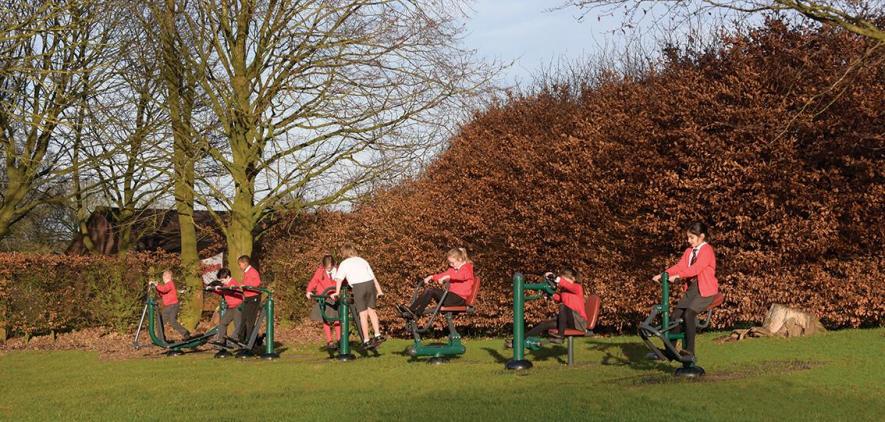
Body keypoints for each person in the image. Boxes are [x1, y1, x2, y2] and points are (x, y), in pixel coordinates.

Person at [652, 222, 719, 358]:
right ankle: (670, 351)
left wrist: (678, 277)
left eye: (692, 238)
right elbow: (680, 266)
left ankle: (690, 351)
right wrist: (664, 275)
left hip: (705, 290)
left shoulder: (707, 250)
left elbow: (696, 269)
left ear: (701, 237)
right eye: (688, 238)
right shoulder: (689, 251)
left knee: (689, 315)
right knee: (675, 316)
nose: (689, 241)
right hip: (693, 289)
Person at [505, 269, 586, 348]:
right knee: (544, 325)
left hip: (579, 321)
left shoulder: (577, 287)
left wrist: (556, 278)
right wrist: (549, 295)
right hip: (568, 321)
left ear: (573, 279)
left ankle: (560, 337)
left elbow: (568, 285)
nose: (562, 283)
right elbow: (559, 298)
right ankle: (516, 342)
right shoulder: (564, 291)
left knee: (562, 306)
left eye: (565, 279)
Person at [332, 244, 385, 350]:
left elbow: (339, 279)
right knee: (372, 311)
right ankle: (377, 334)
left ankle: (366, 340)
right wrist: (379, 291)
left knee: (363, 314)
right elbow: (373, 277)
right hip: (370, 284)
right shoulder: (362, 260)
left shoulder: (344, 263)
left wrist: (337, 292)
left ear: (344, 253)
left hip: (358, 286)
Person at [397, 247, 475, 319]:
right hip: (451, 297)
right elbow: (443, 274)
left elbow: (462, 276)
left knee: (431, 290)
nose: (451, 265)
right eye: (450, 263)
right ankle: (413, 311)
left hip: (459, 299)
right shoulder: (453, 269)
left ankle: (413, 312)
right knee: (429, 291)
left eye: (453, 263)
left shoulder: (467, 268)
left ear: (460, 259)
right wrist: (431, 277)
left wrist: (448, 277)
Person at [307, 255, 341, 350]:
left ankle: (339, 340)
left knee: (337, 319)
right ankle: (329, 341)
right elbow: (313, 281)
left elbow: (341, 282)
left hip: (335, 298)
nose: (329, 268)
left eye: (330, 266)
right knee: (325, 319)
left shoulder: (338, 271)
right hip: (324, 297)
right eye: (327, 267)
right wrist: (309, 291)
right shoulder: (320, 271)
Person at [150, 270, 191, 340]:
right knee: (160, 321)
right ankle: (161, 338)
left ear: (168, 276)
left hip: (173, 306)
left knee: (172, 321)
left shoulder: (170, 283)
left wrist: (156, 284)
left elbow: (164, 289)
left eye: (164, 276)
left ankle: (185, 333)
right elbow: (162, 293)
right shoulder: (166, 285)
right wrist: (156, 288)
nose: (163, 277)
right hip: (168, 307)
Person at [209, 268, 243, 349]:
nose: (221, 282)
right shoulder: (225, 285)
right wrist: (213, 289)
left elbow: (230, 290)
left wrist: (220, 288)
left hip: (238, 306)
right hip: (231, 307)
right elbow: (223, 291)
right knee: (223, 323)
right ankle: (221, 341)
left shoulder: (233, 282)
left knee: (238, 325)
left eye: (222, 280)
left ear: (227, 277)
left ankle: (236, 342)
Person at [237, 255, 261, 345]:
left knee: (250, 320)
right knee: (243, 319)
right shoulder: (246, 272)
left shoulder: (253, 271)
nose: (239, 267)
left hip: (253, 298)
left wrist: (246, 285)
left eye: (240, 264)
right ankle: (242, 338)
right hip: (247, 298)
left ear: (245, 263)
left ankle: (249, 341)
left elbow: (257, 282)